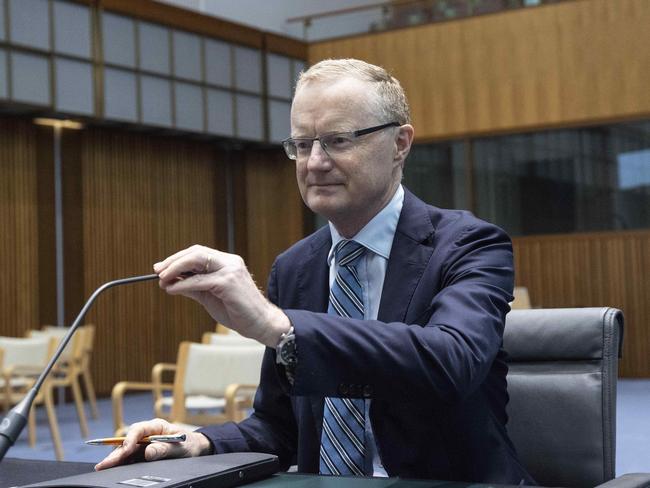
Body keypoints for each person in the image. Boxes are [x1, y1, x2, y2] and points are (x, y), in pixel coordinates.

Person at [96, 58, 534, 485]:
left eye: (338, 140)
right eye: (302, 145)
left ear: (400, 143)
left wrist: (281, 327)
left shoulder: (469, 243)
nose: (314, 163)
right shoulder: (295, 266)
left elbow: (450, 361)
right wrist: (196, 441)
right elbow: (281, 428)